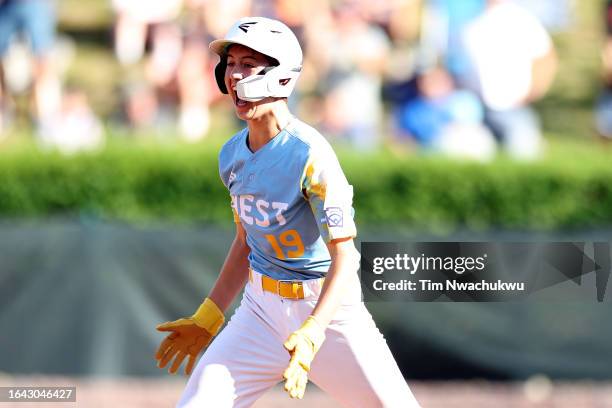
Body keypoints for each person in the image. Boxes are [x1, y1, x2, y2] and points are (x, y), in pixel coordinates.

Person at [154, 16, 420, 407]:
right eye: (230, 64)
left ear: (281, 76)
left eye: (248, 64)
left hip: (326, 315)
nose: (233, 75)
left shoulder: (309, 153)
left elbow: (344, 258)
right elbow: (246, 242)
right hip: (259, 313)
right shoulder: (231, 155)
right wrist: (210, 314)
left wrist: (314, 331)